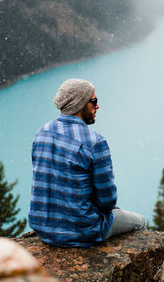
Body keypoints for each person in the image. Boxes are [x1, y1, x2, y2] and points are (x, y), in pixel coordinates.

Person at [28, 78, 145, 248]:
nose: (97, 106)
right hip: (83, 230)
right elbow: (107, 201)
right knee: (140, 222)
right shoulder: (95, 142)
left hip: (44, 228)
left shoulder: (42, 132)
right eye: (94, 101)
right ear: (80, 103)